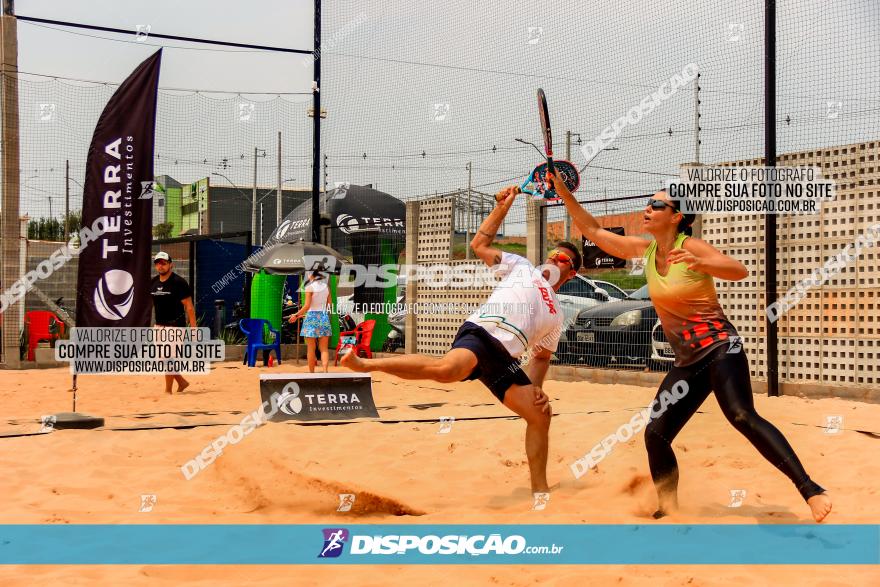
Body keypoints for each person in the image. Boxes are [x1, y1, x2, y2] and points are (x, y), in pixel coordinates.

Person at [548, 171, 832, 523]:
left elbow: (738, 269)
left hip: (719, 349)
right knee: (656, 434)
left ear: (676, 216)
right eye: (649, 203)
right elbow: (593, 231)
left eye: (656, 204)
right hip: (687, 361)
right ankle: (669, 508)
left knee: (742, 416)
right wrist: (563, 192)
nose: (647, 209)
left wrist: (702, 263)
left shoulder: (690, 247)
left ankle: (811, 489)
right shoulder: (647, 250)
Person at [341, 185, 581, 495]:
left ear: (571, 272)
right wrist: (502, 208)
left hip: (505, 360)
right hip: (483, 333)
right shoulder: (522, 268)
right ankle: (366, 365)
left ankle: (540, 491)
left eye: (561, 258)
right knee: (446, 372)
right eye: (551, 254)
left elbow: (541, 358)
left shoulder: (557, 315)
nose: (553, 259)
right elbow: (480, 244)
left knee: (540, 414)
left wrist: (536, 391)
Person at [150, 252, 197, 394]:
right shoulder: (153, 283)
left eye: (164, 263)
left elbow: (189, 306)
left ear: (171, 264)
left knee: (168, 358)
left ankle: (167, 391)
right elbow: (150, 305)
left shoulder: (179, 282)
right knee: (162, 360)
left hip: (175, 327)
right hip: (159, 326)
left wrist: (194, 329)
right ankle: (182, 382)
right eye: (158, 263)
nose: (160, 265)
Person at [289, 271, 331, 373]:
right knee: (324, 349)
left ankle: (312, 373)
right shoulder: (326, 287)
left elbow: (307, 306)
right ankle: (325, 372)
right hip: (323, 317)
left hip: (311, 318)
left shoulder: (310, 287)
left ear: (312, 275)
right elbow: (329, 304)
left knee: (311, 349)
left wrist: (296, 315)